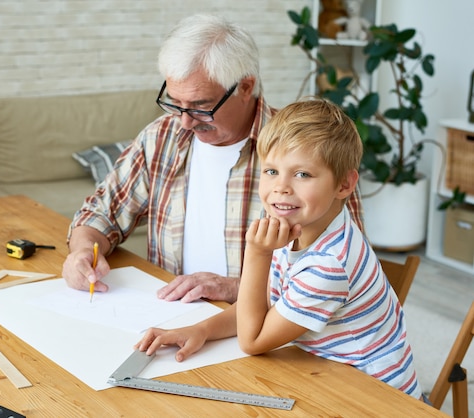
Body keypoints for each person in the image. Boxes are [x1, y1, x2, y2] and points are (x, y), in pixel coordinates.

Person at [135, 98, 424, 401]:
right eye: (271, 171)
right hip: (325, 373)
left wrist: (258, 254)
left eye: (302, 174)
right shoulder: (302, 224)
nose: (281, 187)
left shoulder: (329, 264)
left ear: (344, 185)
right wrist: (203, 330)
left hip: (375, 398)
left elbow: (253, 339)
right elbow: (264, 308)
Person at [62, 14, 363, 304]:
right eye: (175, 103)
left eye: (200, 106)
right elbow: (102, 212)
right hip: (171, 316)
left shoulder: (308, 154)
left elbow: (346, 267)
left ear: (245, 87)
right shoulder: (161, 137)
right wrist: (83, 250)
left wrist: (234, 289)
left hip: (268, 332)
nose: (185, 123)